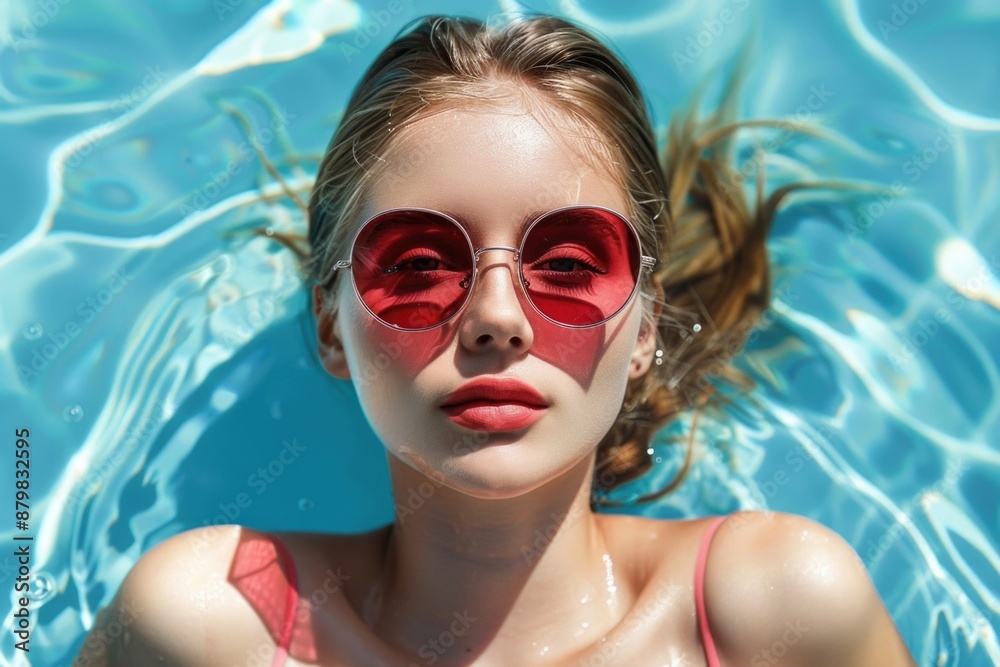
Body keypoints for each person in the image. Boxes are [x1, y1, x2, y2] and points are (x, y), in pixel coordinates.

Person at [74, 12, 917, 667]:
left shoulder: (776, 606)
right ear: (333, 323)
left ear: (646, 326)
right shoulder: (212, 621)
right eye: (415, 264)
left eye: (568, 260)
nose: (497, 316)